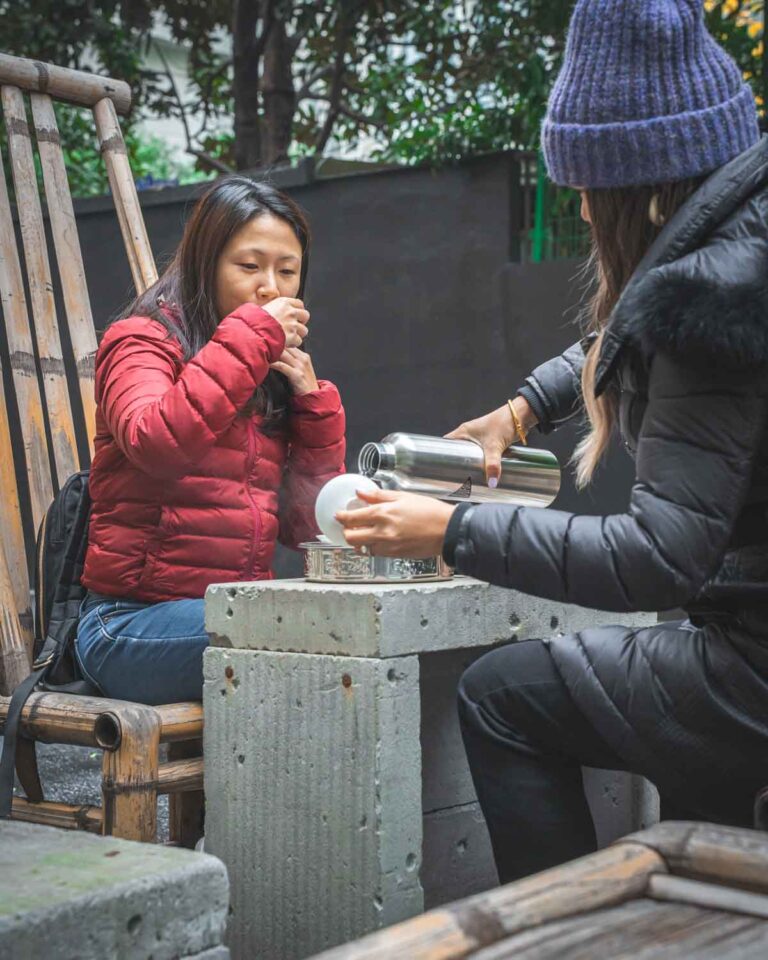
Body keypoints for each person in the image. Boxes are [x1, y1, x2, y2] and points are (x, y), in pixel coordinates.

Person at [338, 0, 768, 883]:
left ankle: (565, 940)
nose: (576, 202)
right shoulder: (743, 235)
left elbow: (656, 558)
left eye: (585, 186)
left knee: (502, 696)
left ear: (646, 187)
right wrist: (525, 408)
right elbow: (627, 334)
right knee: (700, 823)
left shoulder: (711, 295)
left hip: (756, 671)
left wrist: (447, 531)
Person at [75, 176, 345, 705]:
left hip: (235, 611)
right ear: (207, 263)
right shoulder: (140, 340)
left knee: (336, 627)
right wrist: (250, 341)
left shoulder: (263, 370)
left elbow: (307, 528)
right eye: (250, 267)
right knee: (292, 632)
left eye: (287, 272)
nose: (271, 287)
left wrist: (313, 406)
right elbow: (155, 441)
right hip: (127, 624)